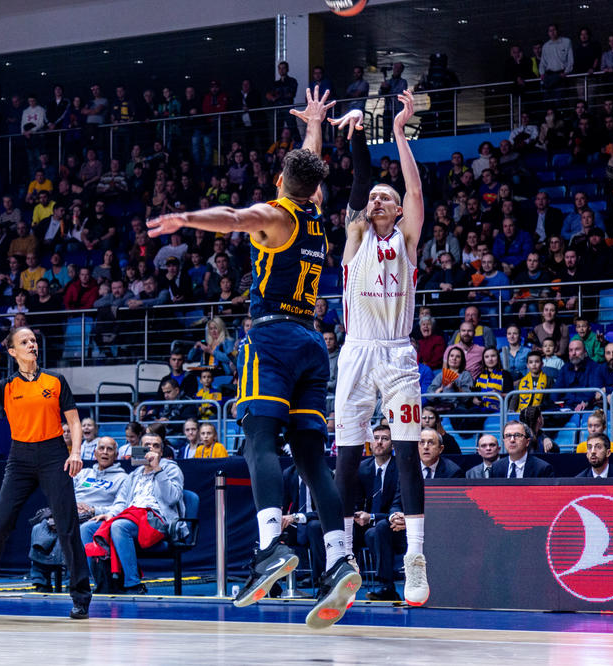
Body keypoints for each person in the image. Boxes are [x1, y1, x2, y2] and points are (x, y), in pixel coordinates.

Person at [147, 86, 360, 629]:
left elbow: (232, 216)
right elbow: (308, 170)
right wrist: (315, 126)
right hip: (314, 342)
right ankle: (339, 559)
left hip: (271, 339)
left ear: (281, 181)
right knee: (312, 459)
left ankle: (271, 545)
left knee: (259, 442)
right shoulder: (315, 214)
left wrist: (184, 218)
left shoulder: (276, 214)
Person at [324, 91, 428, 607]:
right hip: (356, 353)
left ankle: (416, 558)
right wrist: (359, 134)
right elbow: (360, 180)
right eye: (374, 198)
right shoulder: (355, 236)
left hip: (397, 354)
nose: (379, 200)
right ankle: (342, 558)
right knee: (346, 457)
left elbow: (414, 188)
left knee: (407, 451)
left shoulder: (407, 240)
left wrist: (401, 132)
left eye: (387, 197)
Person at [0, 329, 91, 620]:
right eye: (24, 342)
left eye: (33, 341)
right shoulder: (7, 386)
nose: (31, 345)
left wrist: (75, 451)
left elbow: (74, 421)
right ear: (13, 352)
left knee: (67, 526)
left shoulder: (55, 380)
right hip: (20, 458)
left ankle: (80, 598)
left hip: (54, 454)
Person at [80, 430, 185, 595]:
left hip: (157, 519)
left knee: (119, 526)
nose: (151, 449)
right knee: (87, 528)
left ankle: (133, 584)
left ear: (161, 451)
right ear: (140, 448)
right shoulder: (134, 475)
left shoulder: (171, 469)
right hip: (131, 517)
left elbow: (171, 498)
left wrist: (157, 469)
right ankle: (104, 583)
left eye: (156, 446)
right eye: (147, 445)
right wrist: (111, 514)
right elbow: (122, 502)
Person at [31, 436, 128, 592]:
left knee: (73, 529)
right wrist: (71, 504)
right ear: (95, 453)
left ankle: (75, 579)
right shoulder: (83, 473)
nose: (105, 452)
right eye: (101, 448)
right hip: (72, 511)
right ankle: (41, 581)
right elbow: (65, 493)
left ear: (116, 455)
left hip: (95, 517)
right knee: (40, 528)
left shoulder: (122, 478)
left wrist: (94, 510)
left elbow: (121, 506)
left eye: (109, 449)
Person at [352, 424, 402, 601]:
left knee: (376, 531)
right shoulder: (362, 468)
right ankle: (343, 581)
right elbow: (355, 501)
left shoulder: (400, 468)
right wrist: (357, 515)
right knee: (345, 528)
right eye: (376, 438)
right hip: (364, 522)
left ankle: (387, 587)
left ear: (393, 444)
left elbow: (398, 506)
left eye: (385, 439)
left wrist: (372, 517)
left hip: (393, 524)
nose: (379, 442)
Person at [491, 421, 555, 479]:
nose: (512, 440)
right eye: (508, 436)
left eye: (517, 435)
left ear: (527, 442)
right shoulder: (495, 468)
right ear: (504, 441)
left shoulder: (542, 469)